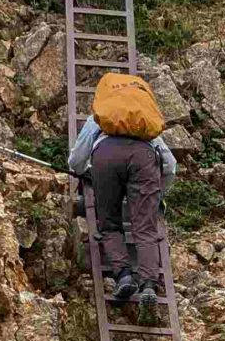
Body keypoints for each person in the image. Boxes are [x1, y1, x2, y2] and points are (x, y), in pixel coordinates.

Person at [68, 71, 176, 319]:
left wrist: (85, 173)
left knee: (109, 223)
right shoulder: (144, 122)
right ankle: (149, 283)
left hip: (105, 156)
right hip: (144, 158)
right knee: (145, 228)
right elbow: (170, 166)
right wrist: (158, 194)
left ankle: (123, 275)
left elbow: (76, 160)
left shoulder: (101, 117)